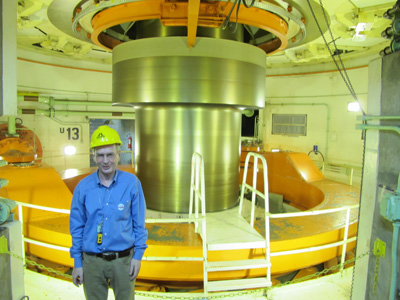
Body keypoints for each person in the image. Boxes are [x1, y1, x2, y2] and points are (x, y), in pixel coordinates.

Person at [69, 125, 148, 300]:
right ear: (94, 157)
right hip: (91, 262)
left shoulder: (131, 184)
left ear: (118, 155)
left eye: (110, 155)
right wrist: (77, 262)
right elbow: (77, 227)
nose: (106, 161)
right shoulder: (83, 188)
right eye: (101, 155)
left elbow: (139, 224)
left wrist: (138, 257)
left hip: (123, 261)